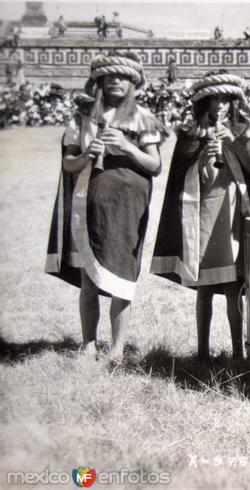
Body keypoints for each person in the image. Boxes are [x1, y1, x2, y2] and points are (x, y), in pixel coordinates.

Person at [45, 52, 166, 363]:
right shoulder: (83, 118)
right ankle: (88, 343)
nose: (115, 81)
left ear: (132, 83)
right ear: (98, 81)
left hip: (127, 207)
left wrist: (126, 146)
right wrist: (87, 155)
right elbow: (68, 162)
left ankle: (116, 349)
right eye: (109, 77)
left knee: (122, 277)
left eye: (122, 77)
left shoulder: (143, 118)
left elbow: (155, 165)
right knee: (89, 276)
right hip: (90, 202)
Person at [151, 71, 250, 363]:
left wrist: (233, 145)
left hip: (233, 213)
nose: (221, 106)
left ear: (234, 101)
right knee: (204, 288)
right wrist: (203, 155)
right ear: (204, 103)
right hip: (203, 213)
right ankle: (202, 352)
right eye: (215, 100)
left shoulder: (243, 129)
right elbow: (182, 175)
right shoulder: (190, 133)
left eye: (226, 100)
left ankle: (238, 351)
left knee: (232, 287)